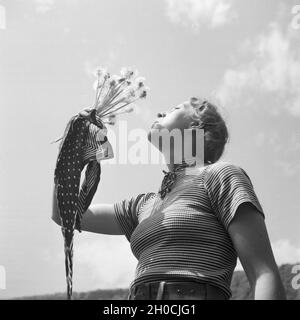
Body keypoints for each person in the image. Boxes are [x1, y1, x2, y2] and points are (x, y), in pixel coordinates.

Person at [51, 97, 286, 300]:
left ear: (197, 127)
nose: (160, 113)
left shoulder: (219, 175)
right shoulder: (143, 205)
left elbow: (262, 272)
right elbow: (64, 214)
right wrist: (70, 154)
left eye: (174, 108)